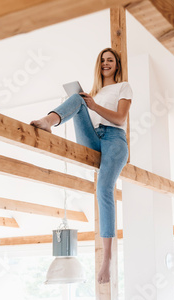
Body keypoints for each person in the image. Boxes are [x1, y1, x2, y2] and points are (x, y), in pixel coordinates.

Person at [30, 48, 132, 284]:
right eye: (103, 60)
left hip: (115, 139)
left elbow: (120, 119)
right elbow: (89, 110)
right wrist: (89, 102)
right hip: (93, 138)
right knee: (77, 99)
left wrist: (94, 106)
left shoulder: (123, 87)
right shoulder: (95, 93)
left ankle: (107, 259)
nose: (106, 63)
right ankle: (49, 120)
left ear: (116, 65)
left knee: (103, 189)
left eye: (111, 60)